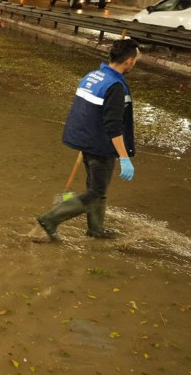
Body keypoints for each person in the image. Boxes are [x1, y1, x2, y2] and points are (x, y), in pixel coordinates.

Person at [36, 39, 139, 241]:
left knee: (96, 188)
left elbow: (83, 111)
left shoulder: (93, 76)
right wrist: (124, 157)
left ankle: (96, 229)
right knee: (96, 191)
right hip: (100, 146)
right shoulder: (116, 86)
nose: (134, 64)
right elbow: (114, 126)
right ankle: (50, 219)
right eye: (135, 60)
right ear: (128, 61)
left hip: (85, 140)